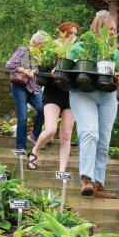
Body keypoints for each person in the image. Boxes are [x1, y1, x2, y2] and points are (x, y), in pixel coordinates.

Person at [69, 11, 119, 199]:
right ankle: (87, 179)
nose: (112, 32)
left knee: (103, 143)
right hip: (83, 94)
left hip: (107, 97)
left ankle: (98, 186)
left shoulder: (114, 53)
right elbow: (66, 68)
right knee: (89, 133)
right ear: (98, 27)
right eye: (109, 28)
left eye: (114, 30)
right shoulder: (80, 47)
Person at [28, 21, 78, 172]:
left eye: (76, 34)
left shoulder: (77, 51)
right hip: (53, 93)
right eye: (70, 33)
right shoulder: (51, 49)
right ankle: (35, 150)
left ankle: (62, 171)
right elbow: (42, 69)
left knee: (66, 135)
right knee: (50, 130)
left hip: (70, 95)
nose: (73, 37)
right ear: (61, 34)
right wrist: (51, 72)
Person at [5, 32, 47, 151]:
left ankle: (35, 135)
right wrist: (25, 70)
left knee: (43, 108)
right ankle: (20, 147)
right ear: (39, 43)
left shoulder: (41, 57)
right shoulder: (22, 51)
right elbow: (9, 64)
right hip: (20, 87)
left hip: (34, 88)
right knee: (23, 116)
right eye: (43, 45)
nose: (44, 48)